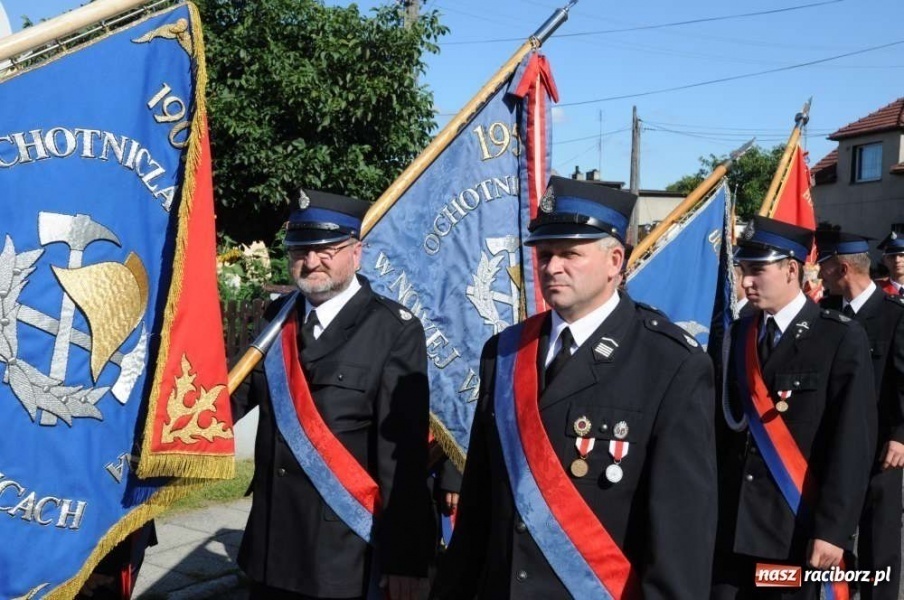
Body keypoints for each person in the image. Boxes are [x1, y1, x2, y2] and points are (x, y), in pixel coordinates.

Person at [431, 176, 717, 599]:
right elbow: (479, 508)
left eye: (569, 254)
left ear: (614, 260)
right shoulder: (506, 352)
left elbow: (681, 535)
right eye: (544, 254)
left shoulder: (671, 363)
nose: (551, 268)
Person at [231, 189, 433, 600]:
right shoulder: (277, 318)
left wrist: (405, 560)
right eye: (300, 250)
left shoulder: (393, 330)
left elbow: (403, 459)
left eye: (327, 249)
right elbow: (231, 399)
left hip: (339, 554)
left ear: (356, 253)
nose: (311, 261)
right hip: (270, 546)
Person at [713, 217, 877, 599]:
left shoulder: (837, 337)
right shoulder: (739, 334)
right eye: (742, 270)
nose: (746, 281)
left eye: (757, 270)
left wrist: (833, 531)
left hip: (791, 531)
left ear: (791, 269)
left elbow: (852, 444)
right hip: (731, 528)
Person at [816, 230, 904, 600]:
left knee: (878, 542)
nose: (819, 275)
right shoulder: (827, 316)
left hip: (881, 448)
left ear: (843, 268)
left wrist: (901, 435)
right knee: (831, 534)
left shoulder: (894, 317)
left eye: (824, 268)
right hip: (834, 444)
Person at [877, 223, 904, 295]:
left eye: (902, 255)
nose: (897, 260)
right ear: (884, 260)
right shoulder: (878, 291)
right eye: (892, 256)